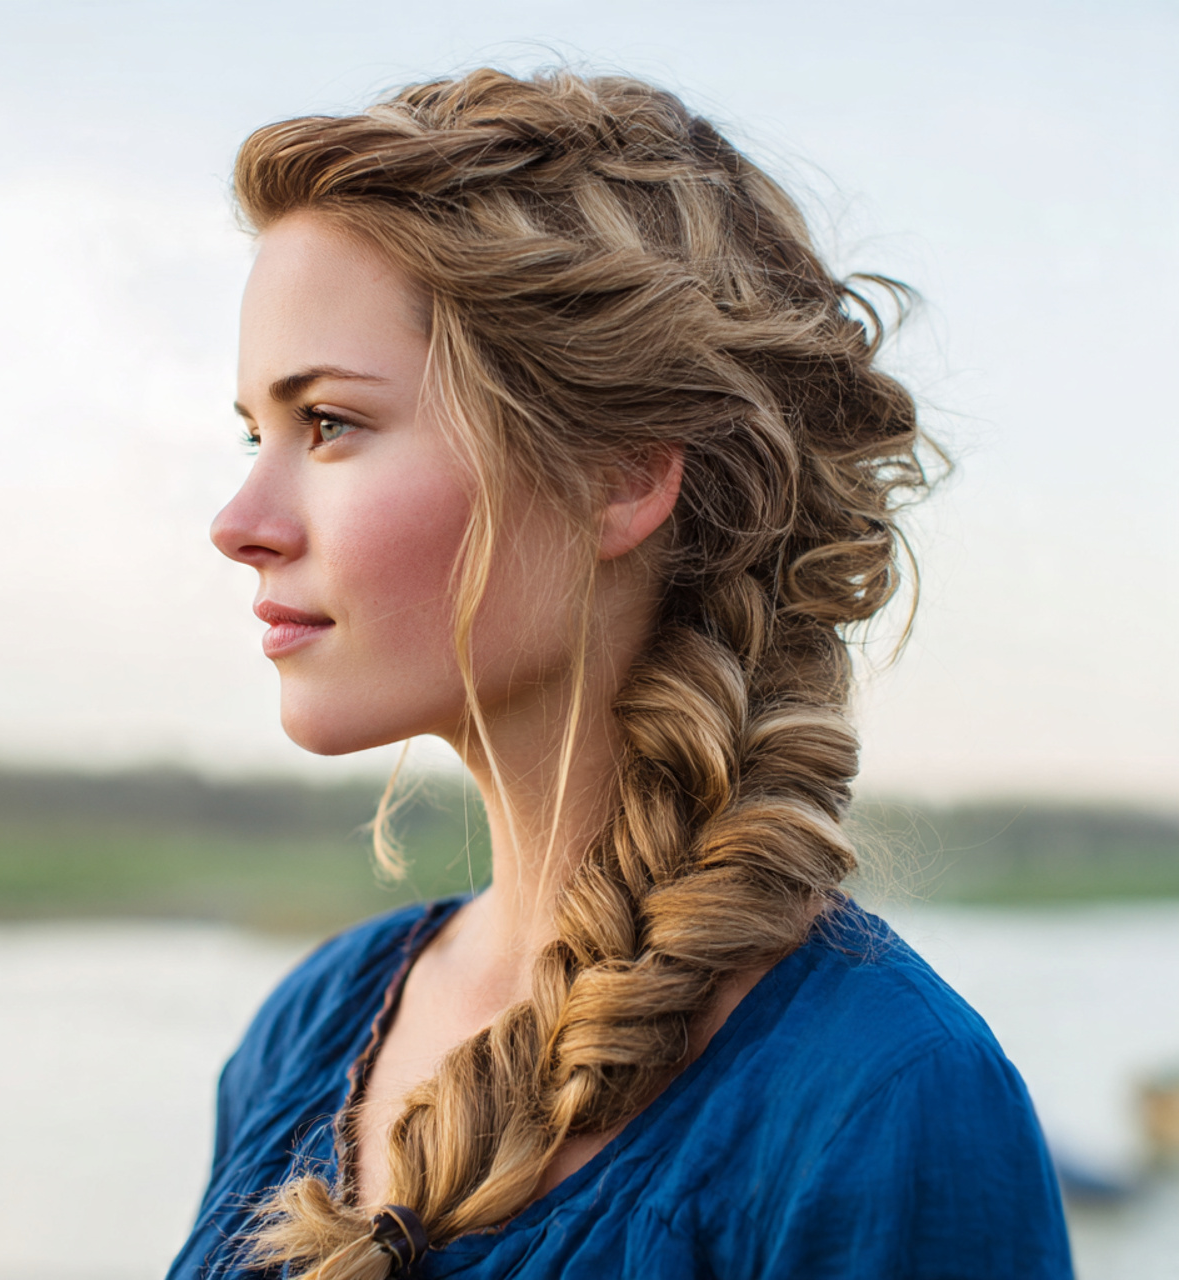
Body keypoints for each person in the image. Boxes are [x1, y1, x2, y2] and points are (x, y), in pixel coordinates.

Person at [169, 69, 1073, 1279]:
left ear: (618, 474)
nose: (239, 518)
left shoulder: (878, 1097)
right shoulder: (307, 1030)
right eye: (251, 432)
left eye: (329, 422)